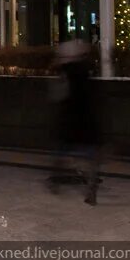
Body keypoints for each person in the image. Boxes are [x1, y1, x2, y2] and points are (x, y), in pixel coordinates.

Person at [48, 38, 102, 206]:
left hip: (70, 118)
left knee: (62, 150)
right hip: (87, 118)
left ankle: (56, 181)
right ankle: (90, 185)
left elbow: (58, 96)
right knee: (88, 155)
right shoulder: (86, 72)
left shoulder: (65, 74)